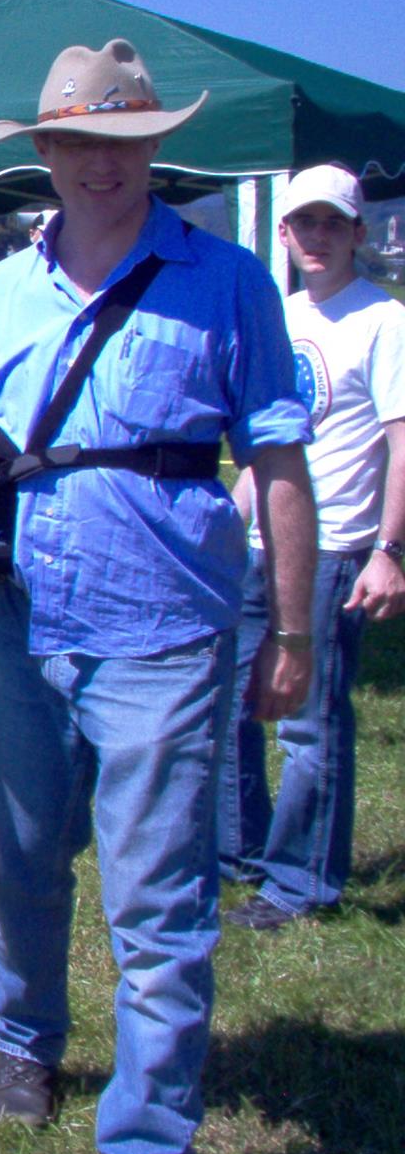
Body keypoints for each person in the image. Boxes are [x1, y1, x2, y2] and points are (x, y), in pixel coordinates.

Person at [0, 39, 315, 1154]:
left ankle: (148, 1134)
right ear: (45, 150)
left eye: (124, 140)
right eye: (79, 141)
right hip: (24, 623)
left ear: (155, 147)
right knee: (21, 862)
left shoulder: (228, 281)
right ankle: (26, 1041)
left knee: (160, 898)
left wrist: (293, 629)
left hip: (165, 632)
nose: (102, 162)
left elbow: (278, 461)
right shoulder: (0, 290)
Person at [220, 163, 405, 930]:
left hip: (334, 549)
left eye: (333, 223)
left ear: (359, 233)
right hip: (256, 543)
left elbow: (401, 443)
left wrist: (389, 550)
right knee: (230, 702)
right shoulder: (281, 315)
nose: (317, 237)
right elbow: (266, 445)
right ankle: (239, 854)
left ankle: (301, 885)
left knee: (309, 723)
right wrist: (225, 524)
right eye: (304, 223)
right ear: (285, 232)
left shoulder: (385, 322)